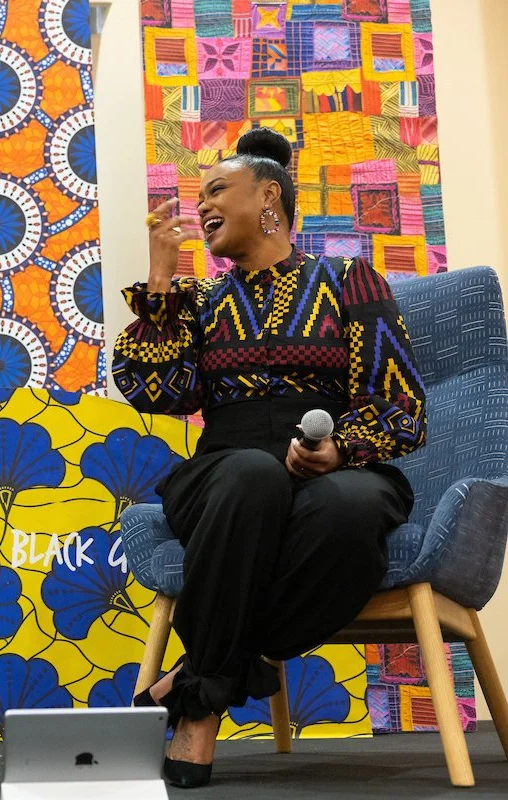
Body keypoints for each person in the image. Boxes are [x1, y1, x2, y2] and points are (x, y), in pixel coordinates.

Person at [113, 127, 427, 789]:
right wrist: (162, 280)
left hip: (331, 466)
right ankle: (199, 713)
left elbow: (401, 404)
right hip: (223, 469)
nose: (201, 207)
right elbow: (155, 391)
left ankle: (197, 681)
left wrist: (340, 447)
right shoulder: (198, 302)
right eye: (199, 197)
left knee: (352, 506)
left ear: (269, 198)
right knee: (252, 476)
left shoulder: (348, 280)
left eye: (217, 190)